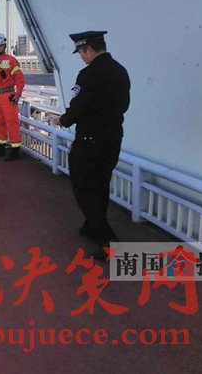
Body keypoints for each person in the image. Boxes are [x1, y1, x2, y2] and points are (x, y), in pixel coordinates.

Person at [53, 30, 131, 261]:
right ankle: (91, 226)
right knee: (100, 185)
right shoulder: (120, 71)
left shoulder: (88, 75)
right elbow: (123, 105)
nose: (82, 58)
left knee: (84, 189)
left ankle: (107, 242)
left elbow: (80, 107)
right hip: (112, 139)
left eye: (81, 53)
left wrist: (63, 119)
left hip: (90, 141)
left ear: (88, 49)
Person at [0, 32, 26, 161]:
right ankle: (1, 148)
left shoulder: (11, 60)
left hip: (8, 96)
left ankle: (15, 150)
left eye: (0, 45)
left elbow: (20, 79)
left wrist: (18, 94)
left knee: (11, 122)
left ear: (4, 46)